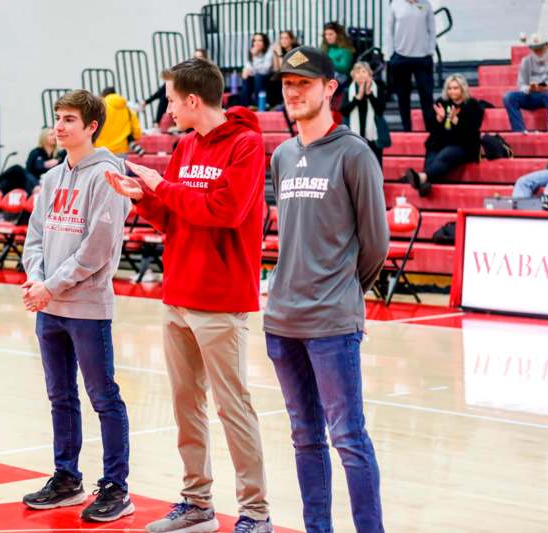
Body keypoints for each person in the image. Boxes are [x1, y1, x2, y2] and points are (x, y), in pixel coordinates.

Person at [104, 58, 273, 533]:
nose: (169, 110)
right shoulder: (185, 146)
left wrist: (164, 186)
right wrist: (142, 196)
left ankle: (255, 513)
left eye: (173, 101)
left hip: (220, 297)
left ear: (194, 100)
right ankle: (196, 502)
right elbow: (175, 217)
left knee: (232, 406)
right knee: (185, 405)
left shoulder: (247, 144)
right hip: (178, 292)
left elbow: (223, 210)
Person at [266, 45, 389, 533]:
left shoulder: (354, 154)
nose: (293, 93)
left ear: (330, 89)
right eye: (287, 86)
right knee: (304, 438)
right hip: (281, 321)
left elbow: (375, 244)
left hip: (332, 324)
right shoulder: (280, 154)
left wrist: (341, 291)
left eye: (304, 85)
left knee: (348, 438)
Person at [20, 89, 134, 523]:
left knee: (103, 396)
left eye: (70, 119)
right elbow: (34, 237)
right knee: (60, 396)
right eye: (58, 118)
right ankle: (67, 478)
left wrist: (49, 285)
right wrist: (37, 279)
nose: (60, 126)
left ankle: (117, 487)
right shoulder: (50, 179)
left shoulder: (106, 176)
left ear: (91, 127)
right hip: (49, 305)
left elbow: (97, 250)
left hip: (86, 307)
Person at [405, 74, 484, 196]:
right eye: (450, 88)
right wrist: (439, 119)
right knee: (432, 156)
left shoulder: (472, 105)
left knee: (444, 155)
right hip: (440, 142)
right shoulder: (442, 103)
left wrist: (455, 120)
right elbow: (431, 127)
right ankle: (423, 184)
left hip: (462, 144)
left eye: (456, 88)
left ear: (462, 89)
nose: (452, 91)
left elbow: (472, 130)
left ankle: (421, 178)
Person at [386, 0, 437, 132]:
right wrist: (391, 54)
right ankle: (406, 129)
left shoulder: (426, 5)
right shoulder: (395, 5)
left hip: (423, 58)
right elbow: (388, 31)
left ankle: (430, 130)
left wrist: (430, 50)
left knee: (427, 96)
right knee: (403, 96)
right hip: (400, 57)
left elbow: (432, 30)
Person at [503, 33, 548, 133]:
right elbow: (521, 85)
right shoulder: (526, 61)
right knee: (509, 97)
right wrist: (529, 89)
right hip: (532, 95)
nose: (537, 52)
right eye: (535, 49)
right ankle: (520, 131)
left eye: (540, 48)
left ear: (546, 46)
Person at [141, 49, 210, 130]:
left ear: (205, 59)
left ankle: (147, 106)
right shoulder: (191, 70)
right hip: (187, 93)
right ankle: (151, 112)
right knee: (167, 89)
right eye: (195, 57)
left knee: (167, 93)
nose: (197, 59)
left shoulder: (208, 71)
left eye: (200, 57)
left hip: (197, 95)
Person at [341, 61, 388, 165]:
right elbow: (344, 111)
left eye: (364, 71)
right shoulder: (348, 91)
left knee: (375, 162)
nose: (361, 74)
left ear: (370, 74)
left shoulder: (378, 89)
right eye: (357, 72)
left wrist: (369, 94)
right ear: (353, 76)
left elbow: (380, 110)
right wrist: (357, 97)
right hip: (354, 133)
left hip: (373, 134)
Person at [95, 87, 143, 157]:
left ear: (103, 95)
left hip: (101, 149)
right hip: (121, 150)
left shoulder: (100, 108)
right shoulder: (127, 109)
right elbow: (137, 131)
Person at [321, 22, 354, 112]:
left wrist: (328, 61)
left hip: (340, 78)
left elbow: (344, 67)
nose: (328, 37)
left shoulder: (346, 49)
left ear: (338, 35)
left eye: (331, 34)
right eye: (326, 34)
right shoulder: (325, 48)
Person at [241, 32, 274, 108]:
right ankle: (245, 105)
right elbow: (248, 66)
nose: (257, 43)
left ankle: (258, 104)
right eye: (255, 40)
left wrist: (255, 57)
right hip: (257, 76)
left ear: (264, 42)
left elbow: (265, 70)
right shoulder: (252, 51)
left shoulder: (269, 51)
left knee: (258, 76)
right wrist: (245, 70)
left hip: (268, 77)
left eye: (260, 40)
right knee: (246, 77)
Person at [269, 30, 301, 108]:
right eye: (281, 38)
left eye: (286, 38)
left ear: (292, 40)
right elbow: (276, 68)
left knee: (281, 79)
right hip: (285, 74)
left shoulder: (298, 50)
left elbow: (285, 68)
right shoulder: (281, 50)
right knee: (271, 78)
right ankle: (273, 105)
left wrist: (279, 54)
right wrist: (275, 53)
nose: (283, 41)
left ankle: (282, 104)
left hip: (297, 74)